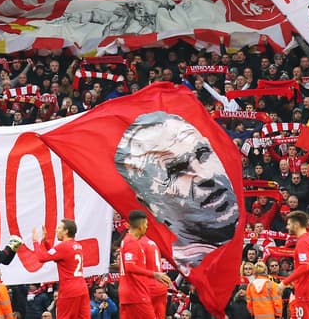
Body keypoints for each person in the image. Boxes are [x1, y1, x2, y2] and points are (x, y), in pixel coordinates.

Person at [114, 112, 239, 270]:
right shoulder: (185, 268)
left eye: (202, 154)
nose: (205, 175)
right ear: (151, 203)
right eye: (178, 170)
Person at [30, 219, 90, 319]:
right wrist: (45, 242)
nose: (56, 230)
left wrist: (35, 242)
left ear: (66, 231)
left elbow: (41, 258)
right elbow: (58, 255)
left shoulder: (63, 246)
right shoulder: (77, 245)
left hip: (69, 290)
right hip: (82, 288)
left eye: (59, 228)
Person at [118, 210, 173, 319]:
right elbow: (130, 266)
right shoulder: (133, 242)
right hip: (139, 291)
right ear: (141, 225)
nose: (147, 227)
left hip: (131, 292)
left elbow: (128, 265)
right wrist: (154, 274)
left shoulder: (127, 241)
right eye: (146, 225)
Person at [282, 210, 309, 319]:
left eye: (289, 224)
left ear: (296, 225)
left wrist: (285, 282)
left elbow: (304, 266)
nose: (287, 227)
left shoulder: (302, 242)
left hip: (304, 292)